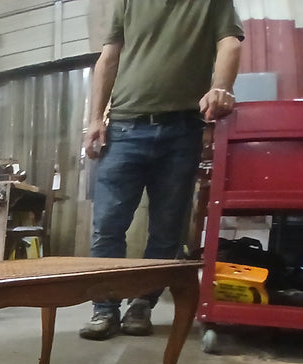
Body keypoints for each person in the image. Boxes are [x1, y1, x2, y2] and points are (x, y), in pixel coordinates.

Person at [80, 0, 244, 340]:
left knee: (167, 230)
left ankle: (142, 303)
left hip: (182, 129)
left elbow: (229, 42)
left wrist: (222, 87)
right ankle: (104, 308)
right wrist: (95, 119)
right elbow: (109, 56)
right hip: (124, 126)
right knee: (108, 225)